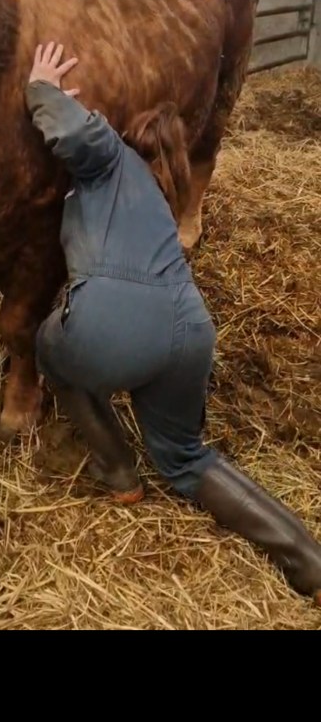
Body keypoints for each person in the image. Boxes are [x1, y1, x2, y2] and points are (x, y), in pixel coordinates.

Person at [25, 40, 321, 605]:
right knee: (186, 457)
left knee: (48, 349)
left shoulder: (113, 156)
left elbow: (75, 133)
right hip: (188, 328)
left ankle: (119, 473)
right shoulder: (162, 201)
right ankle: (310, 563)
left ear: (130, 135)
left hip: (108, 321)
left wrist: (42, 87)